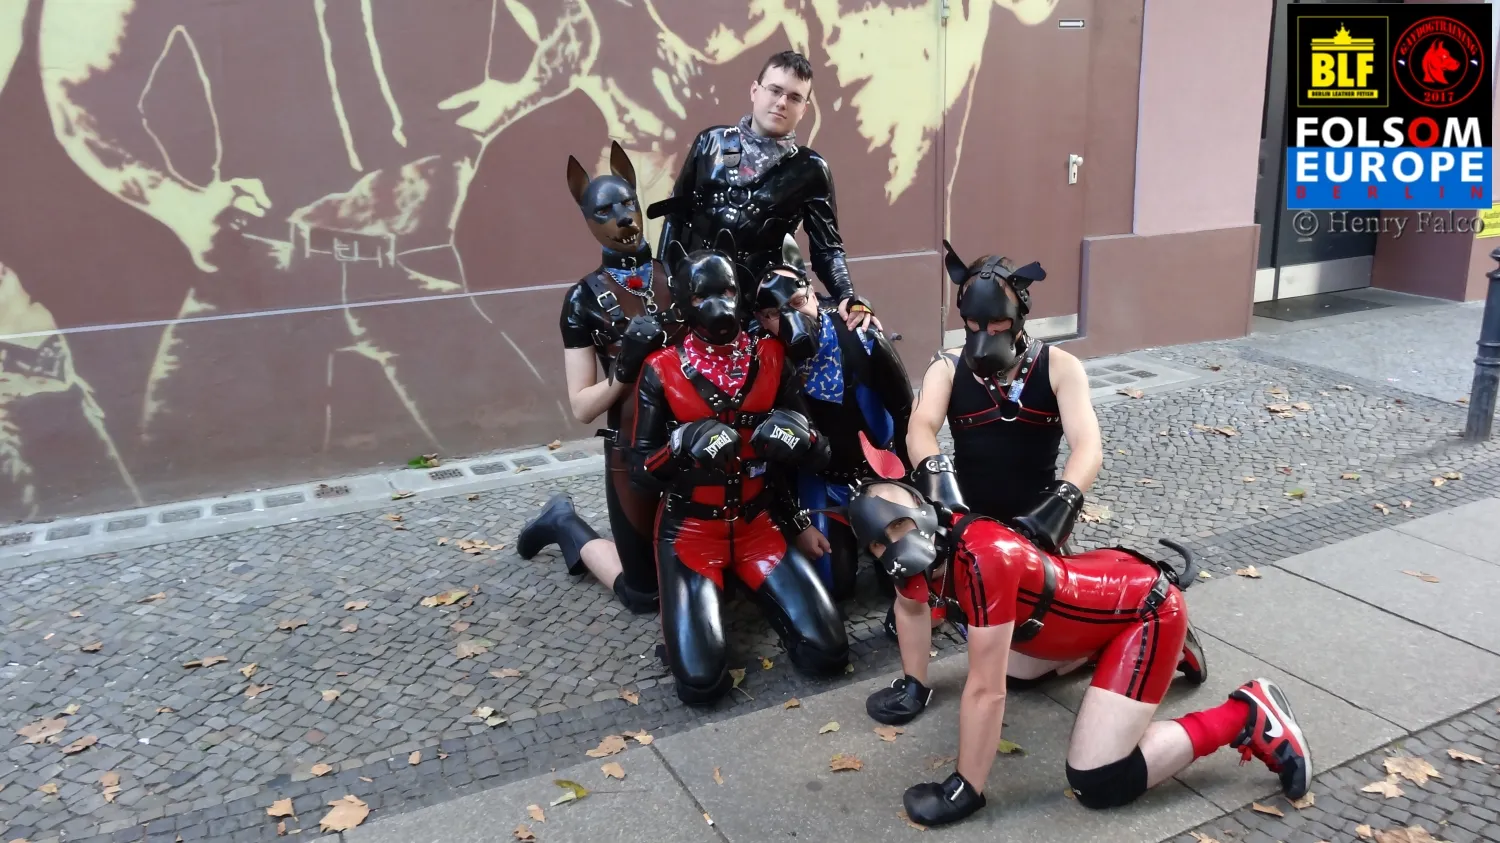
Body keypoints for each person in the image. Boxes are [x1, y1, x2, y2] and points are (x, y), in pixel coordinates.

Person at [843, 475, 1312, 828]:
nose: (894, 545)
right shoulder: (921, 556)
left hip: (1145, 608)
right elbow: (911, 608)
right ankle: (1133, 649)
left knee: (1100, 780)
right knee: (1017, 672)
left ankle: (1246, 714)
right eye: (881, 542)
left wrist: (965, 787)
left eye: (899, 526)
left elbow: (985, 692)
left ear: (923, 511)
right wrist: (914, 684)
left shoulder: (983, 557)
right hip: (1080, 606)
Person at [628, 230, 849, 705]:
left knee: (827, 652)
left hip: (759, 528)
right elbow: (639, 473)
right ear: (683, 303)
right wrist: (681, 445)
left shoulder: (771, 356)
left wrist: (803, 437)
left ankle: (751, 590)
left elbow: (822, 452)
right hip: (691, 535)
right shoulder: (661, 369)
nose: (719, 305)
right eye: (701, 296)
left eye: (727, 291)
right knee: (701, 682)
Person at [516, 143, 682, 614]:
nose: (623, 218)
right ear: (587, 219)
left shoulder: (680, 273)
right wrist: (624, 370)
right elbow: (582, 407)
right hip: (632, 451)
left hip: (696, 438)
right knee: (645, 596)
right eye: (604, 211)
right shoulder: (582, 299)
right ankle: (564, 523)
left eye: (627, 204)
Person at [647, 49, 876, 333]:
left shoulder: (810, 169)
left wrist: (847, 296)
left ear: (804, 109)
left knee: (860, 340)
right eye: (775, 90)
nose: (782, 102)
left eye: (794, 97)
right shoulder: (711, 142)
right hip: (695, 297)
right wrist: (665, 285)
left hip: (762, 308)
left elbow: (827, 248)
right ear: (755, 91)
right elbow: (676, 216)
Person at [751, 233, 913, 602]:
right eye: (774, 314)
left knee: (905, 574)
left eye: (797, 302)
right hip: (821, 481)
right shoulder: (764, 364)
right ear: (761, 319)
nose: (791, 319)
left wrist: (913, 488)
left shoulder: (861, 337)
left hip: (880, 470)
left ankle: (875, 528)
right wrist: (797, 523)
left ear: (813, 293)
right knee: (833, 584)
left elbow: (906, 413)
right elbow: (767, 455)